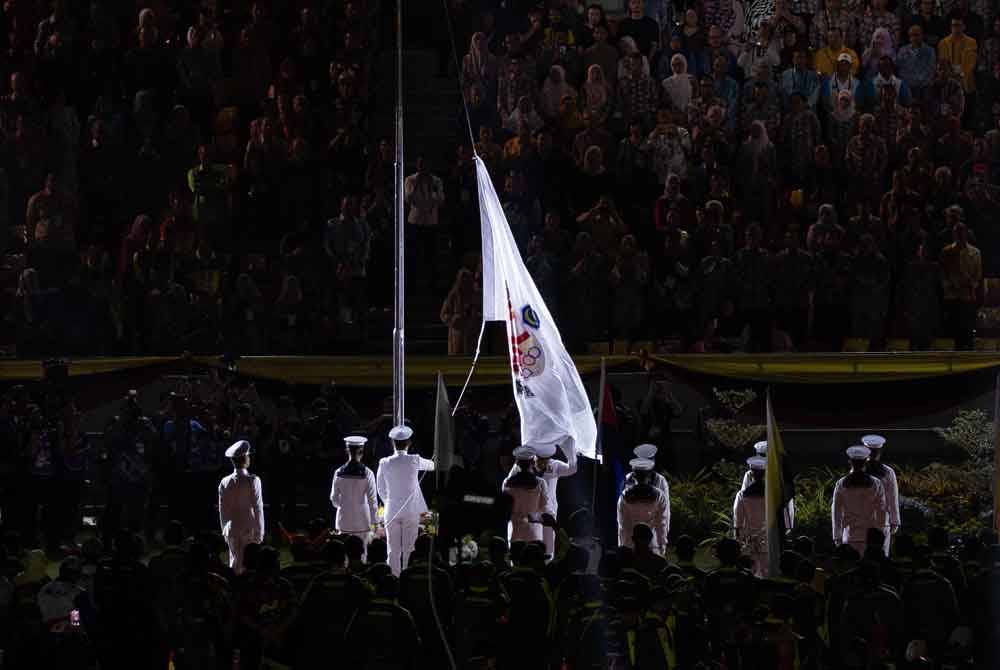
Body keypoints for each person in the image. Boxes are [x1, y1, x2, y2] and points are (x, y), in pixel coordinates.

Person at [376, 425, 435, 575]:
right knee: (409, 548)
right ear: (409, 443)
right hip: (411, 511)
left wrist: (389, 501)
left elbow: (380, 488)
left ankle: (394, 580)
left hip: (391, 511)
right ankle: (407, 578)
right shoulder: (414, 460)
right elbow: (432, 466)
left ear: (392, 443)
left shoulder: (384, 462)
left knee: (392, 550)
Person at [217, 440, 265, 575]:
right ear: (245, 458)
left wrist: (224, 529)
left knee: (234, 563)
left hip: (231, 528)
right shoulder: (253, 480)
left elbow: (222, 510)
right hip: (249, 528)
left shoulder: (224, 482)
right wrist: (260, 532)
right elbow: (258, 507)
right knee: (248, 566)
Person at [831, 446, 887, 556]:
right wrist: (880, 534)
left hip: (850, 535)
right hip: (870, 537)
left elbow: (836, 512)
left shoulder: (841, 484)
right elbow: (882, 511)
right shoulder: (876, 484)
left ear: (850, 462)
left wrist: (837, 536)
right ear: (865, 462)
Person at [330, 435, 378, 558]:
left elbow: (334, 499)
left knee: (344, 556)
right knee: (362, 556)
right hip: (362, 522)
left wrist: (346, 504)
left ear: (347, 451)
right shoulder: (368, 473)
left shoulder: (338, 472)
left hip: (343, 522)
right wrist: (375, 523)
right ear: (362, 451)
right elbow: (373, 502)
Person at [939, 221, 983, 350]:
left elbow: (977, 275)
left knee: (968, 329)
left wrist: (971, 286)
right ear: (953, 234)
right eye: (957, 233)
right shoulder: (946, 252)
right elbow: (942, 274)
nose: (959, 235)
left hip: (967, 296)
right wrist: (950, 286)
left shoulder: (975, 253)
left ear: (966, 234)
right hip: (952, 296)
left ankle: (968, 354)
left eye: (961, 232)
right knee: (955, 330)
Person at [531, 440, 578, 559]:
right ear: (535, 457)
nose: (543, 463)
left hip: (548, 514)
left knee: (548, 551)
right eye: (540, 460)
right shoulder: (526, 465)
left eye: (545, 460)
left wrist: (569, 450)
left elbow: (572, 469)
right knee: (532, 549)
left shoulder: (554, 465)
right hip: (530, 514)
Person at [501, 446, 553, 545]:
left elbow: (505, 510)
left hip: (515, 532)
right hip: (534, 533)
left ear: (517, 463)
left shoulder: (507, 483)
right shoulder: (541, 483)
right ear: (533, 462)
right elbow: (544, 510)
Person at [617, 458, 669, 554]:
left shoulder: (624, 496)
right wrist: (662, 545)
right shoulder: (659, 495)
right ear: (649, 476)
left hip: (630, 547)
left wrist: (622, 547)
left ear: (633, 476)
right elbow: (661, 524)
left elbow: (622, 526)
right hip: (652, 546)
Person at [861, 434, 900, 556]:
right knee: (881, 554)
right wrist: (895, 521)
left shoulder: (857, 471)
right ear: (880, 452)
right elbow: (892, 498)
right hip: (881, 519)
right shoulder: (887, 472)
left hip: (861, 519)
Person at [732, 456, 767, 577]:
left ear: (751, 474)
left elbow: (738, 522)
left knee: (748, 575)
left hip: (748, 542)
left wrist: (738, 543)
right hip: (766, 542)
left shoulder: (741, 495)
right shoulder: (771, 496)